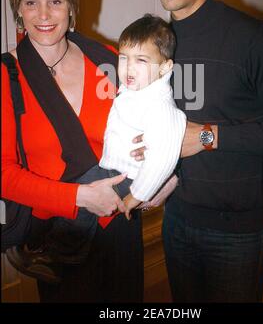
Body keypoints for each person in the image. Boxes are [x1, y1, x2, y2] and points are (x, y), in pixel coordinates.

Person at [144, 0, 263, 302]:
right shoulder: (158, 43)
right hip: (175, 220)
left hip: (236, 233)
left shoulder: (255, 40)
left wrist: (208, 136)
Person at [1, 0, 144, 303]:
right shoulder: (7, 76)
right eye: (31, 3)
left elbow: (140, 125)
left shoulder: (106, 59)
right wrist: (80, 197)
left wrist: (151, 169)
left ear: (71, 7)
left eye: (56, 0)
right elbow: (3, 173)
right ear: (18, 11)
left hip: (120, 220)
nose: (44, 15)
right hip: (61, 234)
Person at [12, 14, 186, 271]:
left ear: (165, 68)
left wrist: (135, 197)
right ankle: (56, 248)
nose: (128, 67)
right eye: (124, 58)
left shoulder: (160, 107)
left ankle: (61, 250)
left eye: (141, 60)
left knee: (80, 202)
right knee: (80, 197)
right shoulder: (135, 88)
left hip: (128, 176)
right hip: (112, 166)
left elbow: (162, 162)